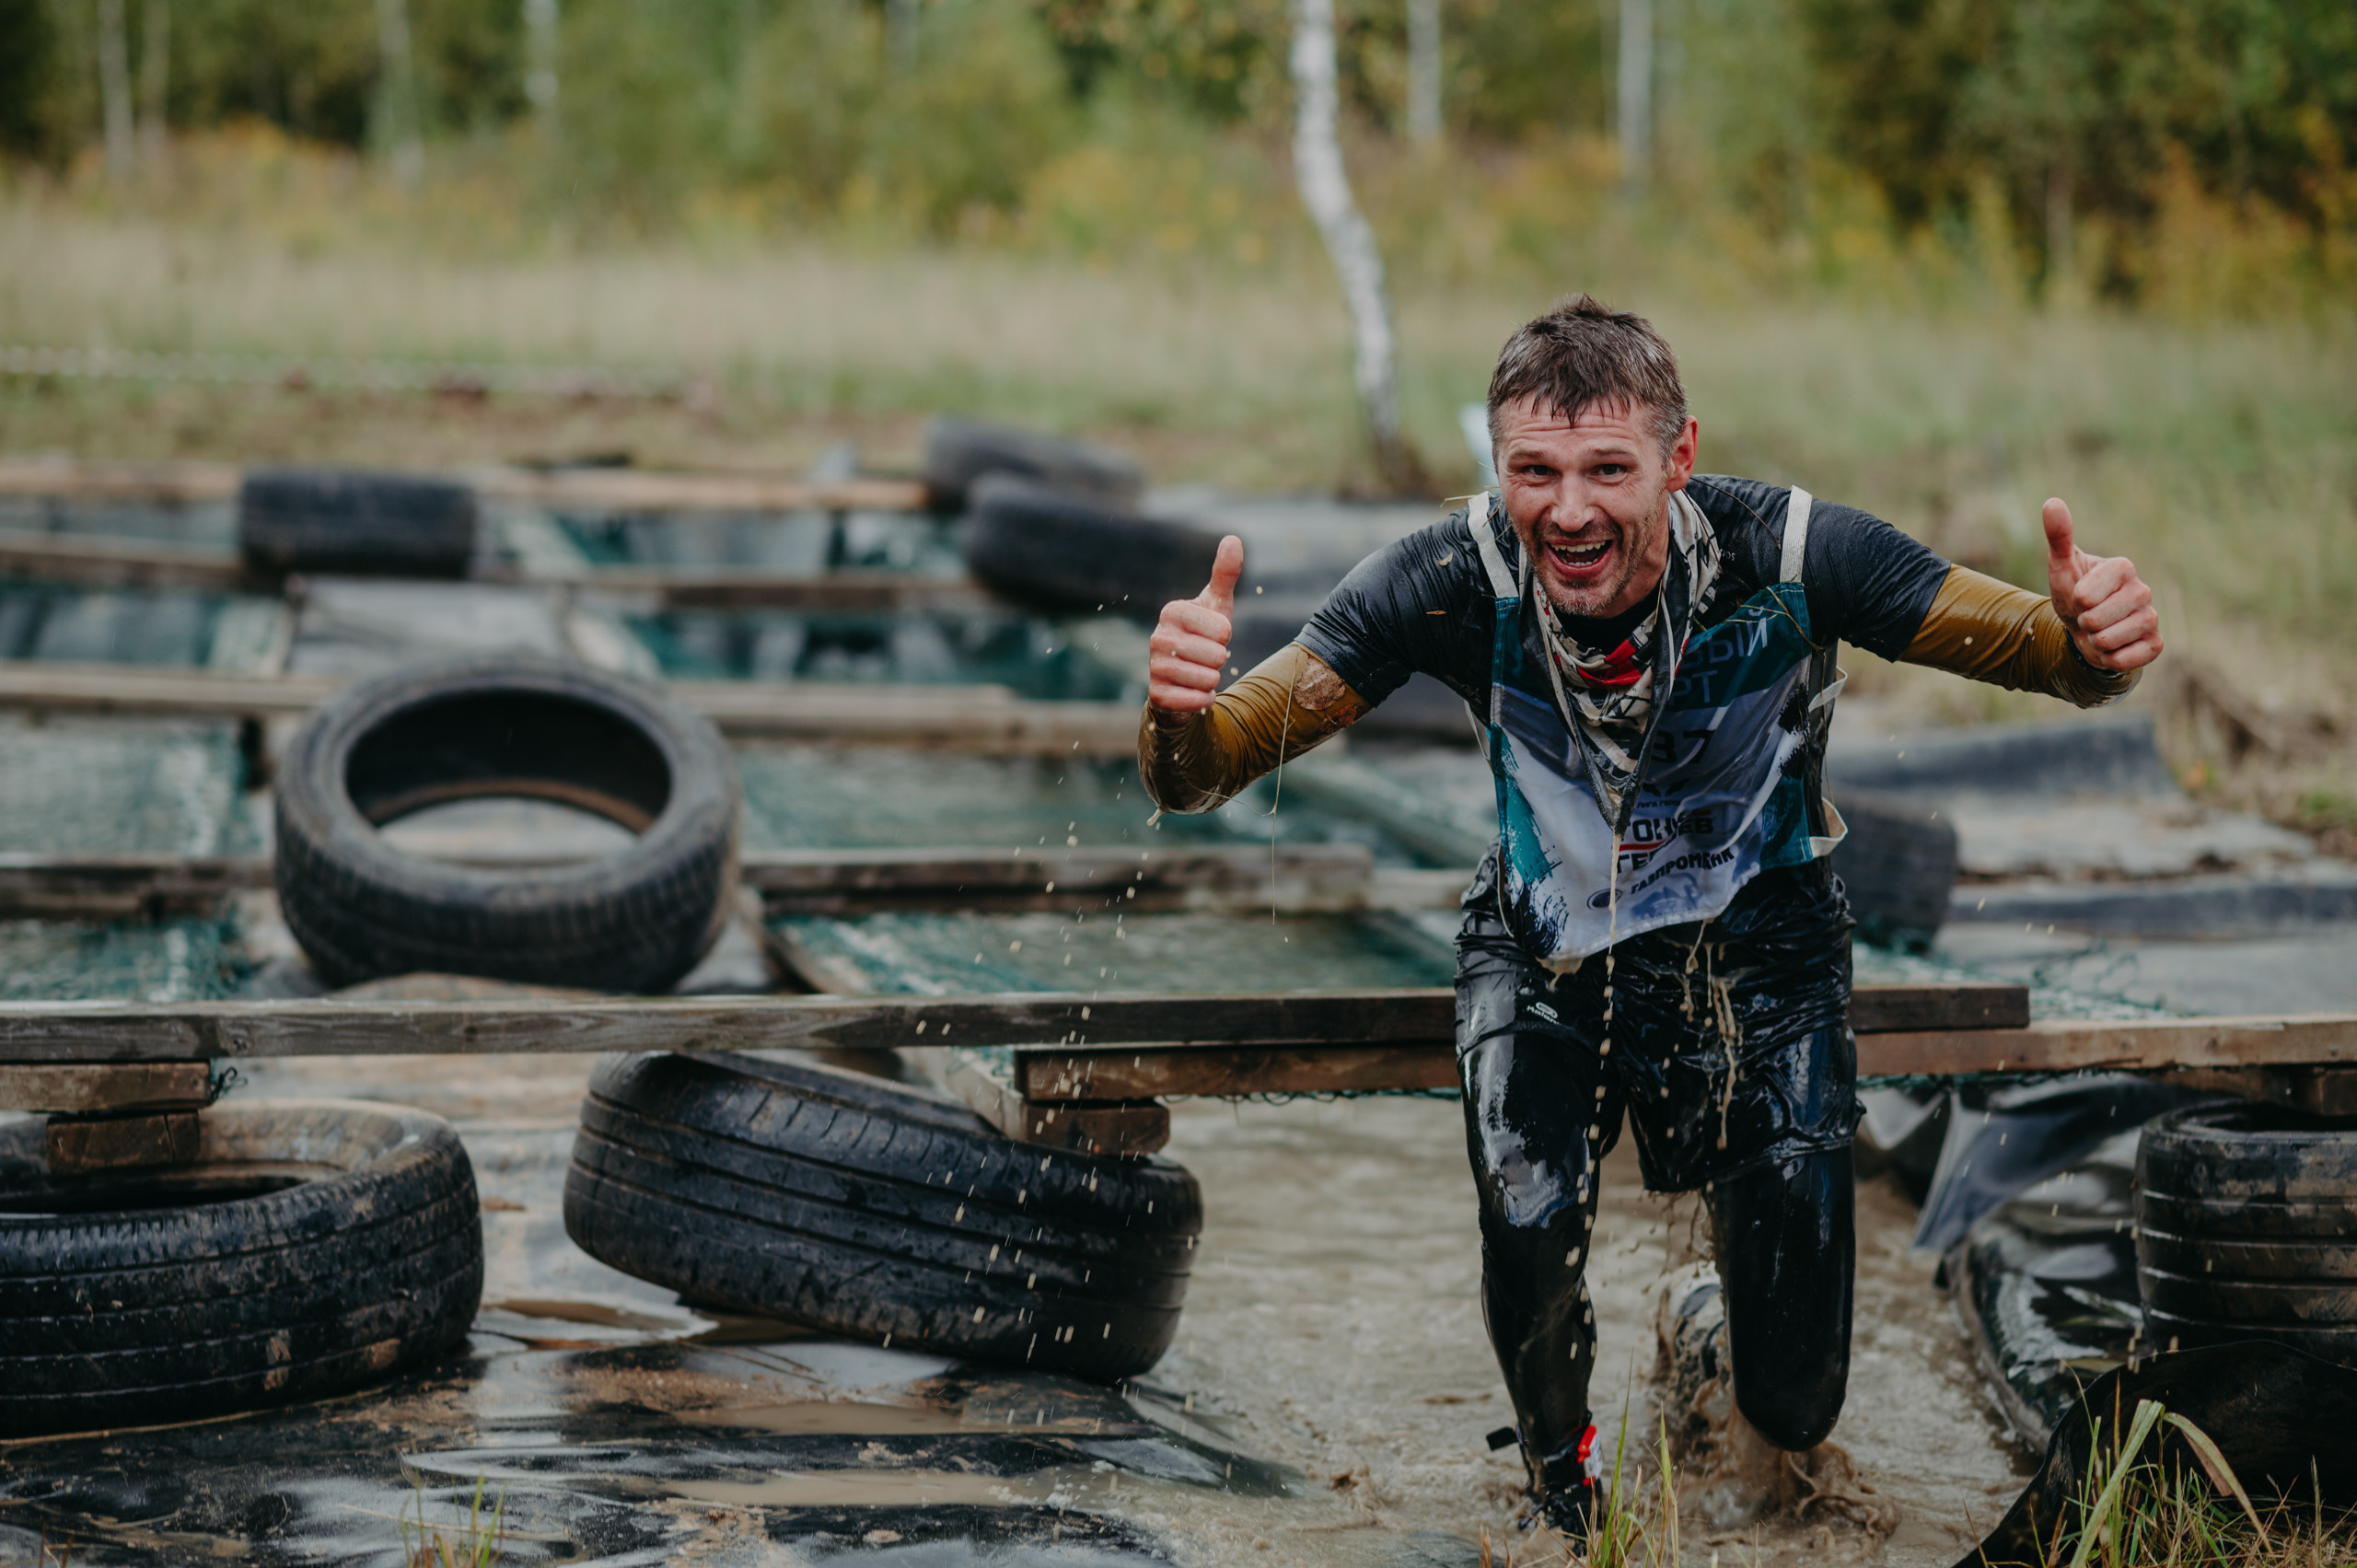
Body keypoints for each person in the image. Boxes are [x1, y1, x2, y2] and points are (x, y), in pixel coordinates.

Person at [1135, 295, 2162, 1539]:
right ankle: (1568, 1512)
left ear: (1679, 461)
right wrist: (1179, 716)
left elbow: (2043, 655)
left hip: (1767, 954)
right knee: (1525, 1224)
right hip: (1541, 948)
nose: (1569, 512)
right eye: (1536, 472)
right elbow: (1202, 776)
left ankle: (1708, 1333)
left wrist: (2096, 643)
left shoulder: (1792, 552)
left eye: (1608, 470)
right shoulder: (1446, 576)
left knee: (1793, 1407)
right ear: (1498, 469)